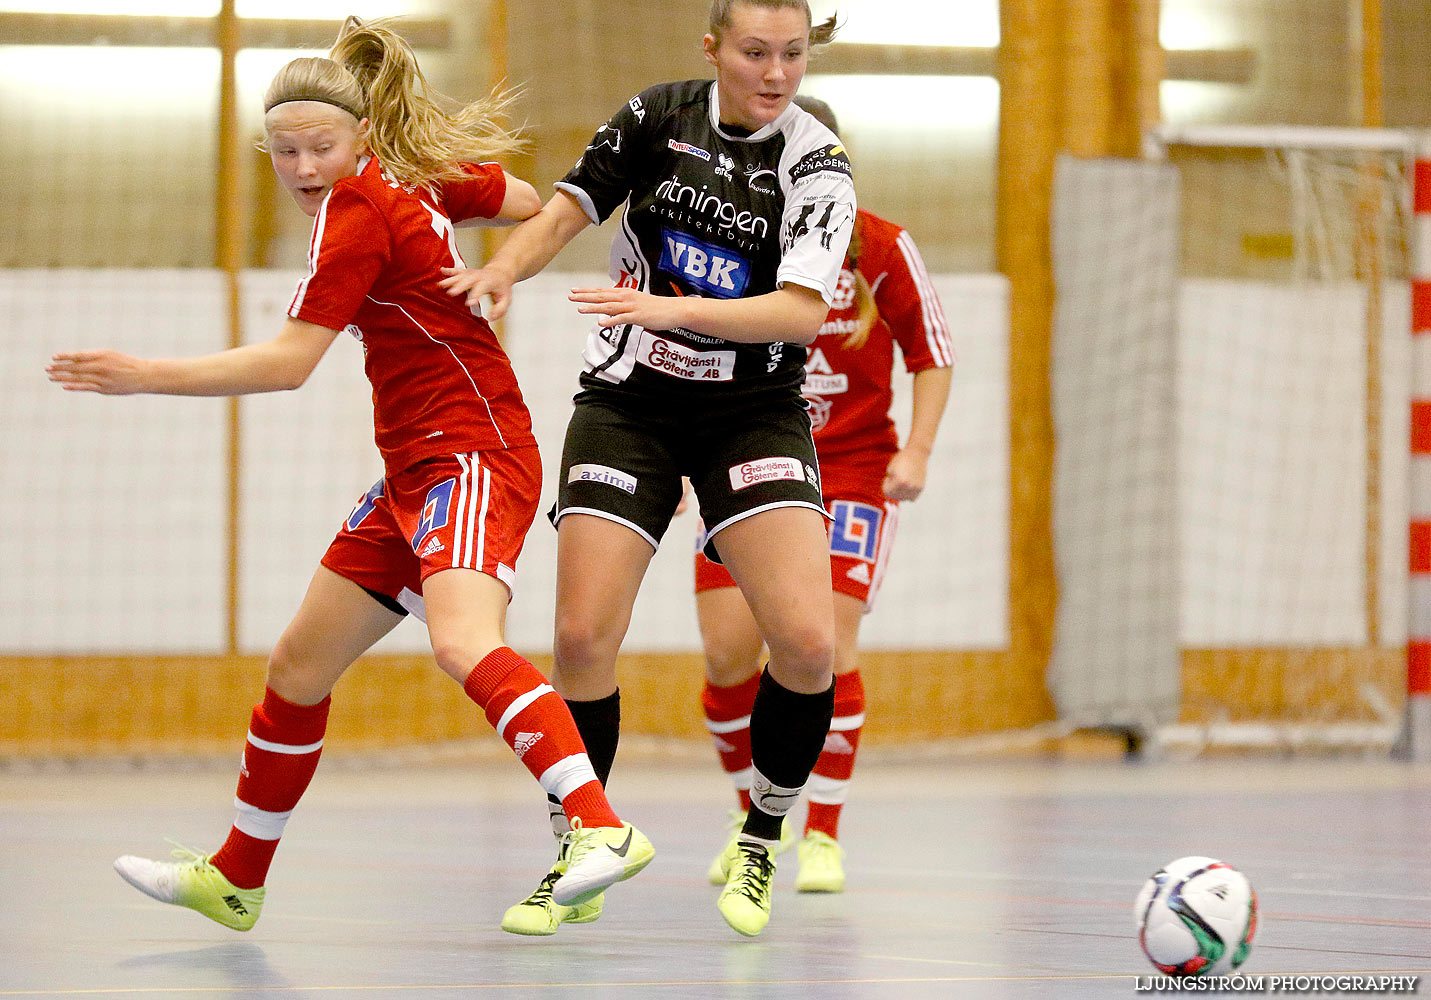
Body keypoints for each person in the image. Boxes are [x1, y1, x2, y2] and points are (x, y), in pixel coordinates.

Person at [45, 17, 652, 933]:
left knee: (460, 642)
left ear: (359, 135)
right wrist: (448, 216)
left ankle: (598, 827)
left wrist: (146, 376)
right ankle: (237, 877)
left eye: (319, 146)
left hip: (472, 453)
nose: (300, 167)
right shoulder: (404, 178)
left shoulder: (358, 211)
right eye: (283, 150)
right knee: (297, 665)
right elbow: (527, 197)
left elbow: (290, 363)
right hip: (412, 469)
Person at [440, 0, 854, 938]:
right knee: (582, 636)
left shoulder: (817, 160)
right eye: (756, 53)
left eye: (792, 55)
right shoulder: (655, 116)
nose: (776, 73)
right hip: (629, 406)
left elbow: (797, 312)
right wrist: (505, 268)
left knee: (806, 642)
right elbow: (566, 208)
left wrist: (670, 312)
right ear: (713, 49)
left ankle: (758, 839)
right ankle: (579, 845)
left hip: (751, 415)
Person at [695, 96, 953, 895]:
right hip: (741, 463)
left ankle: (822, 836)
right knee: (727, 654)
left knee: (824, 649)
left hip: (846, 472)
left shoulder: (878, 246)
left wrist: (915, 448)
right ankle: (751, 823)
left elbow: (931, 354)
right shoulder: (719, 240)